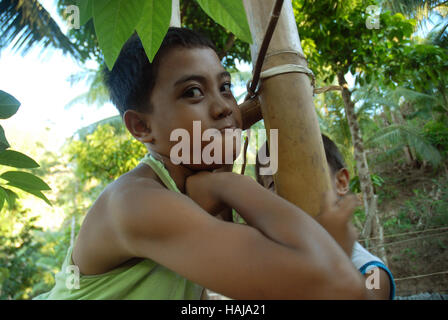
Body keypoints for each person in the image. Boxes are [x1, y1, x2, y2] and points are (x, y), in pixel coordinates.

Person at [34, 27, 375, 300]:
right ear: (141, 126)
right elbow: (331, 286)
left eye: (226, 87)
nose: (224, 107)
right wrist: (231, 185)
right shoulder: (135, 203)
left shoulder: (194, 185)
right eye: (193, 92)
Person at [255, 135, 396, 299]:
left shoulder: (372, 273)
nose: (288, 193)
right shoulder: (271, 266)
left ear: (341, 182)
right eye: (273, 185)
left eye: (303, 174)